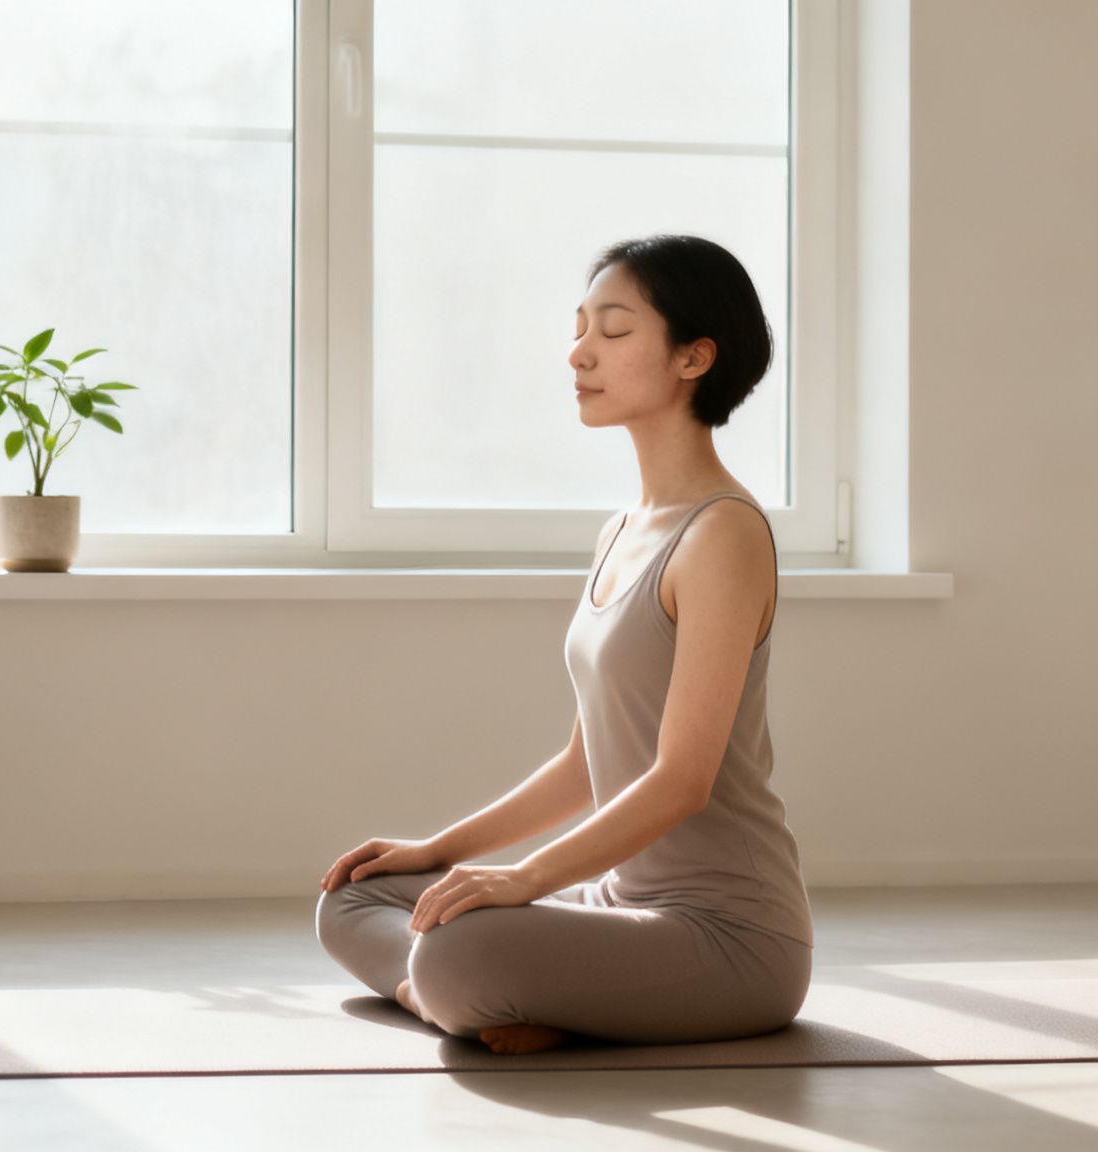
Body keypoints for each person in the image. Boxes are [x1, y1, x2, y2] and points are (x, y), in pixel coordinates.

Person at [314, 234, 814, 1055]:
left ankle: (466, 994)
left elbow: (682, 781)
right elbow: (589, 762)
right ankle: (488, 1003)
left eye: (613, 332)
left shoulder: (724, 533)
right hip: (614, 910)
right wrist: (439, 850)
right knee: (355, 896)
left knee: (455, 949)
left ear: (694, 358)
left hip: (729, 937)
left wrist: (528, 878)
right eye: (580, 328)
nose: (580, 352)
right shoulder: (621, 530)